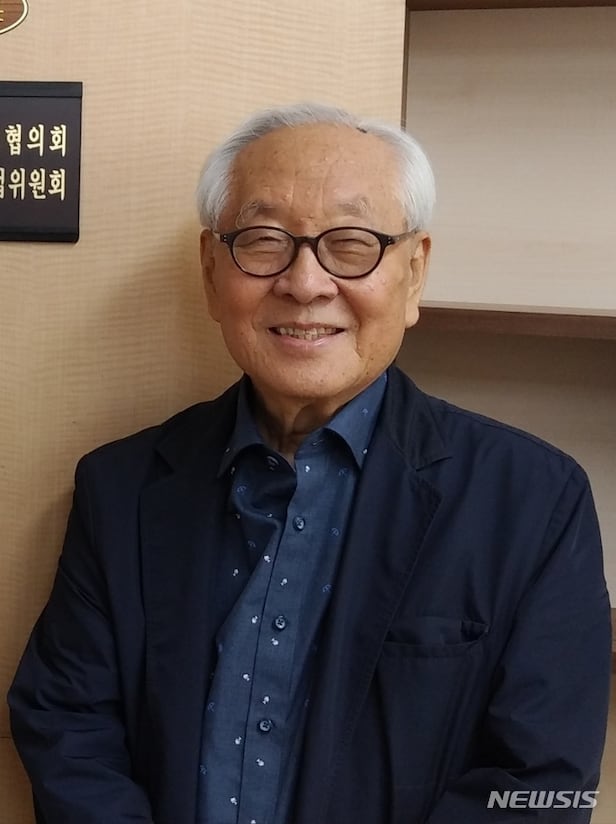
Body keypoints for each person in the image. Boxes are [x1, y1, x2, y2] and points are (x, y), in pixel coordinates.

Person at [8, 102, 611, 824]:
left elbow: (541, 783)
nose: (305, 283)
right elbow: (68, 726)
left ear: (415, 273)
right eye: (264, 241)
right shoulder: (121, 487)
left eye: (352, 244)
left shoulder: (534, 502)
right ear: (211, 270)